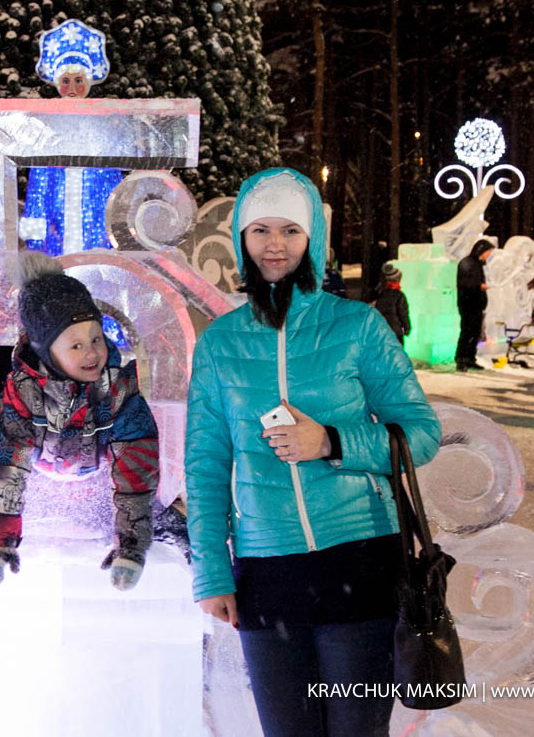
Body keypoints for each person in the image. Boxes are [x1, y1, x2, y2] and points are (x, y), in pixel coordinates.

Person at [185, 168, 440, 737]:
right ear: (241, 239)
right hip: (267, 570)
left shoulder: (358, 326)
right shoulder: (219, 343)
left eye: (290, 231)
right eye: (260, 230)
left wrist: (332, 442)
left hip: (360, 559)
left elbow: (421, 433)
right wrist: (211, 572)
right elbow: (205, 465)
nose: (274, 245)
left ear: (312, 239)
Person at [0, 252, 160, 591]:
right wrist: (0, 542)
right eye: (76, 345)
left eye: (96, 339)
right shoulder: (24, 392)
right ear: (46, 351)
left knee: (145, 494)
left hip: (98, 479)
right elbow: (6, 464)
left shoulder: (117, 389)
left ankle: (144, 535)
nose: (92, 353)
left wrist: (131, 545)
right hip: (41, 477)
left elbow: (136, 462)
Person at [19, 18, 121, 257]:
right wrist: (36, 227)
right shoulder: (48, 125)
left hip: (94, 218)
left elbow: (112, 176)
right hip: (56, 218)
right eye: (66, 81)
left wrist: (113, 218)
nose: (72, 88)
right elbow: (39, 181)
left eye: (78, 81)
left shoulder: (101, 124)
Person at [455, 238, 494, 371]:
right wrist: (479, 286)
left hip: (477, 304)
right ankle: (461, 359)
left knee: (475, 332)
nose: (489, 254)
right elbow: (464, 283)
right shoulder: (467, 263)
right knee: (467, 332)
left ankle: (470, 358)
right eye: (488, 251)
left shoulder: (478, 264)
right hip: (468, 304)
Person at [373, 261, 411, 345]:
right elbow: (403, 314)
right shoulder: (399, 295)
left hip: (382, 331)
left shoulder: (380, 294)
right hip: (396, 332)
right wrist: (407, 328)